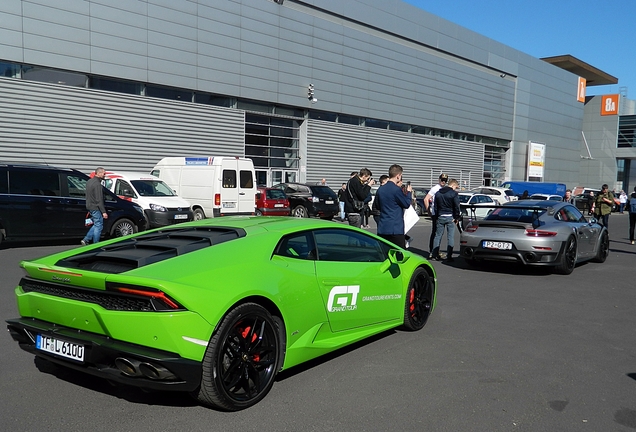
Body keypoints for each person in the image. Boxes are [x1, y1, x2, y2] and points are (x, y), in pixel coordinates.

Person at [375, 164, 412, 248]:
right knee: (398, 255)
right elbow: (406, 204)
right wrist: (409, 193)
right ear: (398, 176)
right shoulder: (396, 190)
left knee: (384, 254)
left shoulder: (381, 189)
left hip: (383, 227)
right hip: (395, 229)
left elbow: (377, 205)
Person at [430, 178, 460, 262]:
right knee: (450, 237)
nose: (455, 189)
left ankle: (434, 254)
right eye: (456, 187)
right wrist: (457, 217)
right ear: (453, 185)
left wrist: (435, 217)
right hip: (450, 217)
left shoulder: (438, 193)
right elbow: (456, 207)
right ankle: (449, 256)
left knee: (438, 236)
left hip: (440, 216)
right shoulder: (453, 194)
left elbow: (435, 207)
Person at [81, 167, 109, 245]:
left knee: (97, 223)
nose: (105, 175)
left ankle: (86, 239)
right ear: (99, 173)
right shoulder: (97, 185)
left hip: (89, 205)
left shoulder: (89, 181)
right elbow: (99, 199)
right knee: (99, 225)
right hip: (95, 207)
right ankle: (95, 243)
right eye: (104, 173)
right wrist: (103, 212)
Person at [424, 173, 448, 255]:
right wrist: (429, 211)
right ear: (439, 180)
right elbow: (426, 199)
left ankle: (436, 250)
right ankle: (432, 251)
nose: (443, 182)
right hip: (436, 213)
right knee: (435, 233)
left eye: (445, 180)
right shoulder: (435, 188)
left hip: (442, 213)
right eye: (442, 180)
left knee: (439, 233)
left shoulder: (444, 189)